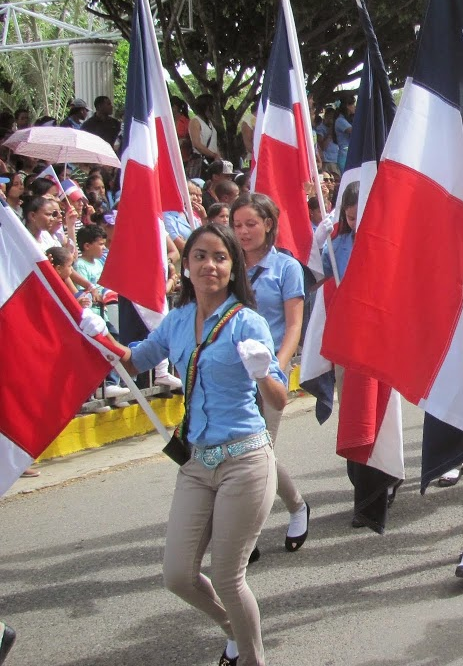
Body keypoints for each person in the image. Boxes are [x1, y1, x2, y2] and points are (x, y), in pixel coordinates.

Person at [81, 223, 287, 666]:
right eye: (199, 256)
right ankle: (235, 626)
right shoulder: (176, 321)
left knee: (229, 578)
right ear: (186, 265)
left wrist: (262, 372)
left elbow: (280, 399)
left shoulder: (247, 322)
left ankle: (252, 658)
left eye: (219, 257)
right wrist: (98, 335)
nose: (209, 265)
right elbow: (134, 361)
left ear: (233, 269)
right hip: (196, 462)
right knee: (177, 576)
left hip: (245, 460)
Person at [230, 194, 310, 560]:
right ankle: (292, 505)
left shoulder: (286, 268)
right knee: (240, 455)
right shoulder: (227, 265)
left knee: (259, 453)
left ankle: (284, 514)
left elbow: (294, 324)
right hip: (230, 375)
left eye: (251, 224)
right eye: (237, 225)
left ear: (268, 224)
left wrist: (277, 365)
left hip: (268, 375)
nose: (244, 232)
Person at [189, 94, 221, 172]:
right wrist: (213, 155)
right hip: (201, 160)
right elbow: (196, 144)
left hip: (212, 160)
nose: (214, 108)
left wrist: (218, 156)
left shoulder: (210, 123)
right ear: (206, 106)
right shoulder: (195, 121)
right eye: (212, 105)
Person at [334, 93, 356, 169]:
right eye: (353, 104)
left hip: (350, 154)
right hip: (344, 155)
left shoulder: (348, 120)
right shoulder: (340, 120)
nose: (354, 107)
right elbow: (353, 131)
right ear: (347, 106)